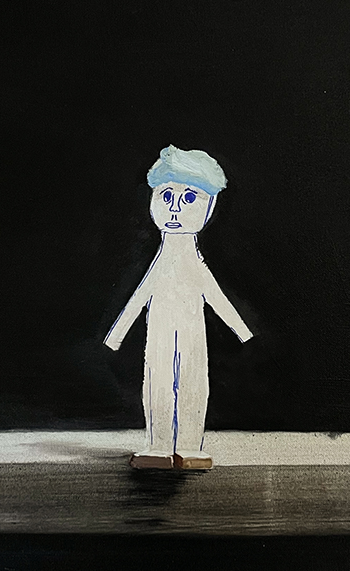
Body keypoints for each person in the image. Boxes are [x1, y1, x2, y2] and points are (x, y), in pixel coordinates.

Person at [104, 145, 253, 469]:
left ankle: (189, 447)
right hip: (158, 330)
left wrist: (243, 332)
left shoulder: (193, 264)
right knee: (157, 382)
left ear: (209, 207)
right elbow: (141, 295)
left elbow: (214, 295)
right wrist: (116, 335)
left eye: (188, 198)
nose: (174, 209)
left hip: (191, 331)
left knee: (193, 383)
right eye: (167, 196)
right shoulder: (163, 262)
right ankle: (158, 446)